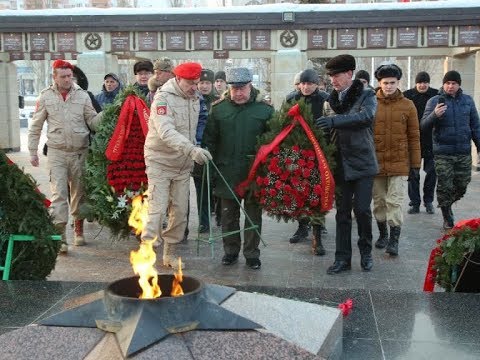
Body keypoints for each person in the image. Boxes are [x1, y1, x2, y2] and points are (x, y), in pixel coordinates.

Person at [28, 60, 103, 253]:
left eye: (70, 76)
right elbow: (36, 125)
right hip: (57, 152)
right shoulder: (45, 97)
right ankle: (60, 236)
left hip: (80, 152)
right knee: (59, 195)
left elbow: (93, 122)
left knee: (79, 193)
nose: (68, 79)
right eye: (64, 76)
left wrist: (108, 115)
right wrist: (32, 150)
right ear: (55, 77)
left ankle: (79, 230)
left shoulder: (83, 96)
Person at [141, 62, 210, 270]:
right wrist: (192, 150)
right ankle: (146, 253)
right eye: (190, 83)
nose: (194, 87)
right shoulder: (163, 99)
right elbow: (166, 131)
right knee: (157, 211)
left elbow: (197, 126)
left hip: (182, 165)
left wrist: (197, 147)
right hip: (159, 162)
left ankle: (169, 253)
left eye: (196, 83)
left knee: (180, 213)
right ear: (178, 79)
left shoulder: (196, 98)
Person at [203, 67, 274, 270]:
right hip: (227, 172)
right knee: (228, 215)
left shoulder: (265, 110)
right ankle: (230, 252)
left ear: (250, 86)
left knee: (253, 215)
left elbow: (272, 143)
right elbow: (210, 140)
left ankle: (252, 254)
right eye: (234, 89)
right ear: (229, 88)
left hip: (254, 174)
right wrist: (210, 167)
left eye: (242, 88)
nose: (238, 93)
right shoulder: (219, 110)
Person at [315, 54, 378, 274]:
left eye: (337, 75)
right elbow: (325, 133)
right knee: (342, 213)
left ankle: (366, 252)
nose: (333, 80)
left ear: (350, 74)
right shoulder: (329, 101)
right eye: (330, 76)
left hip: (362, 163)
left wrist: (334, 121)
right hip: (339, 164)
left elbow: (366, 118)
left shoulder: (367, 95)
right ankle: (342, 258)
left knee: (361, 210)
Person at [372, 64, 421, 256]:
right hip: (376, 162)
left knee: (395, 201)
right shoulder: (371, 103)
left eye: (392, 83)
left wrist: (416, 165)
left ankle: (394, 239)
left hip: (400, 163)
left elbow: (414, 136)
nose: (389, 86)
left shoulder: (408, 105)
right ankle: (382, 234)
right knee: (379, 202)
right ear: (379, 83)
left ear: (398, 82)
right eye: (385, 83)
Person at [421, 70, 480, 230]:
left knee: (463, 184)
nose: (450, 86)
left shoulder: (467, 101)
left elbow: (475, 125)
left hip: (463, 151)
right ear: (443, 84)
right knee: (445, 186)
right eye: (447, 83)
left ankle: (445, 203)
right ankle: (447, 215)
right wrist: (434, 115)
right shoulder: (434, 101)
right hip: (442, 152)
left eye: (453, 83)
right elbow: (424, 126)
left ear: (459, 84)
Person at [285, 69, 329, 255]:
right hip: (297, 152)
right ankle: (302, 226)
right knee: (298, 192)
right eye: (303, 83)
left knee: (317, 193)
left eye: (310, 83)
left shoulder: (326, 99)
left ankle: (317, 235)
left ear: (316, 84)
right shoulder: (291, 99)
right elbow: (283, 123)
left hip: (320, 152)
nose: (305, 87)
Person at [403, 71, 438, 215]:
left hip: (431, 140)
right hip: (412, 140)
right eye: (420, 82)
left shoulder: (436, 95)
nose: (423, 85)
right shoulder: (407, 95)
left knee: (432, 172)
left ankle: (428, 201)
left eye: (425, 82)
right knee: (413, 174)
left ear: (429, 83)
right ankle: (415, 202)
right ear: (415, 83)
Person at [192, 69, 220, 233]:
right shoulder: (193, 100)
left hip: (217, 151)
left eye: (207, 83)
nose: (204, 86)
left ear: (212, 84)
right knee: (200, 186)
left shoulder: (219, 101)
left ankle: (220, 215)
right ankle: (204, 221)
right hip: (199, 149)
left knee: (216, 186)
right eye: (201, 83)